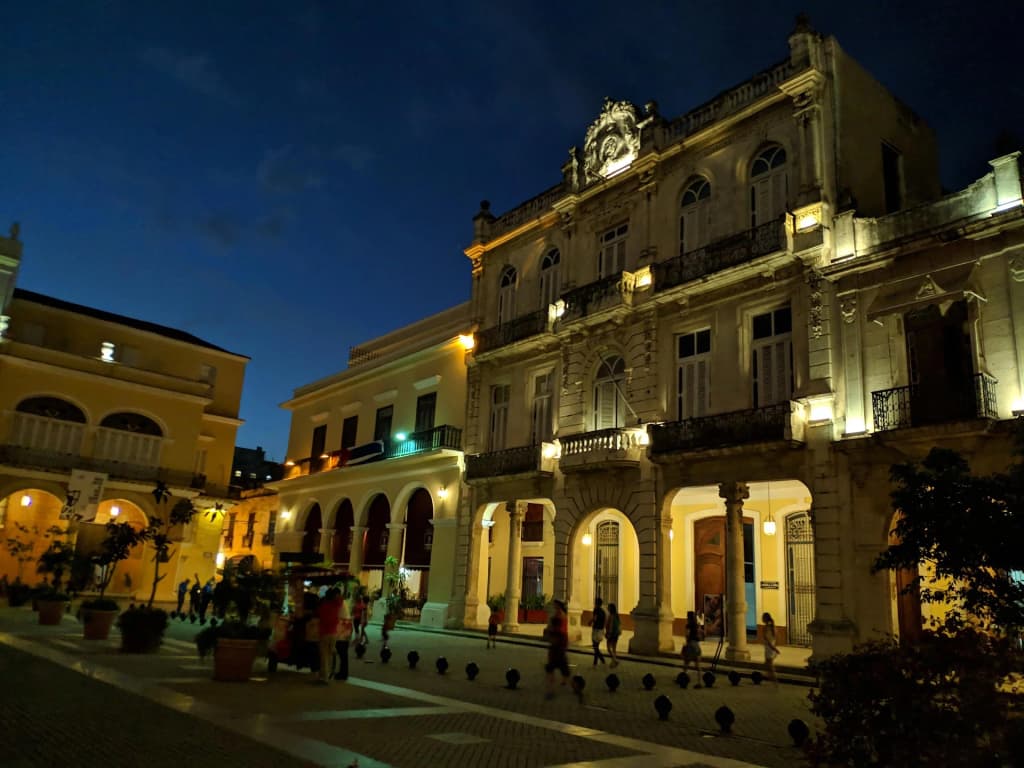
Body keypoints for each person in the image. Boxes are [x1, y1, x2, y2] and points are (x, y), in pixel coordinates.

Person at [315, 587, 343, 685]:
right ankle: (326, 675)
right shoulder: (337, 605)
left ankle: (324, 677)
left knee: (324, 656)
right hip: (333, 633)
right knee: (329, 655)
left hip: (324, 633)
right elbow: (340, 599)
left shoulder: (323, 605)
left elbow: (319, 615)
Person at [544, 600, 571, 700]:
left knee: (554, 668)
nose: (554, 606)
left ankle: (574, 686)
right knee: (554, 668)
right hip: (557, 645)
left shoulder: (560, 616)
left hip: (557, 645)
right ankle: (551, 689)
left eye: (555, 605)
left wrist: (551, 631)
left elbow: (559, 630)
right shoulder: (560, 615)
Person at [332, 585, 353, 681]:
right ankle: (343, 673)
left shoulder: (339, 602)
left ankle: (343, 674)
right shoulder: (343, 601)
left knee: (342, 652)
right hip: (346, 627)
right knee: (343, 653)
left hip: (342, 628)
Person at [682, 610, 703, 685]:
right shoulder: (697, 625)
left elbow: (687, 634)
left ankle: (683, 679)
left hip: (691, 645)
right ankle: (699, 682)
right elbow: (700, 633)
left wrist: (686, 643)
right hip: (697, 645)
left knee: (686, 663)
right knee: (697, 665)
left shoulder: (689, 625)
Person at [762, 612, 780, 686]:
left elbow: (767, 640)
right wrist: (775, 647)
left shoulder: (766, 628)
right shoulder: (773, 627)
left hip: (769, 648)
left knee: (770, 666)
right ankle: (770, 678)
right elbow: (776, 637)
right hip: (771, 647)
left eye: (763, 617)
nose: (762, 619)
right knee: (767, 664)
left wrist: (774, 648)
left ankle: (775, 681)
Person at [590, 597, 607, 666]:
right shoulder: (603, 611)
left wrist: (590, 622)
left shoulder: (596, 610)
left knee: (595, 646)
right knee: (596, 646)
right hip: (601, 630)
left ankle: (600, 660)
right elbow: (605, 620)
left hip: (596, 629)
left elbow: (594, 618)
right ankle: (596, 661)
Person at [605, 602, 621, 667]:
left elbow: (610, 625)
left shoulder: (611, 616)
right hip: (616, 634)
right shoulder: (617, 615)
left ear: (610, 608)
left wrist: (609, 633)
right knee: (614, 648)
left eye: (608, 607)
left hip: (611, 634)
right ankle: (614, 661)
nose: (607, 608)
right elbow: (619, 624)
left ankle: (615, 660)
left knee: (608, 648)